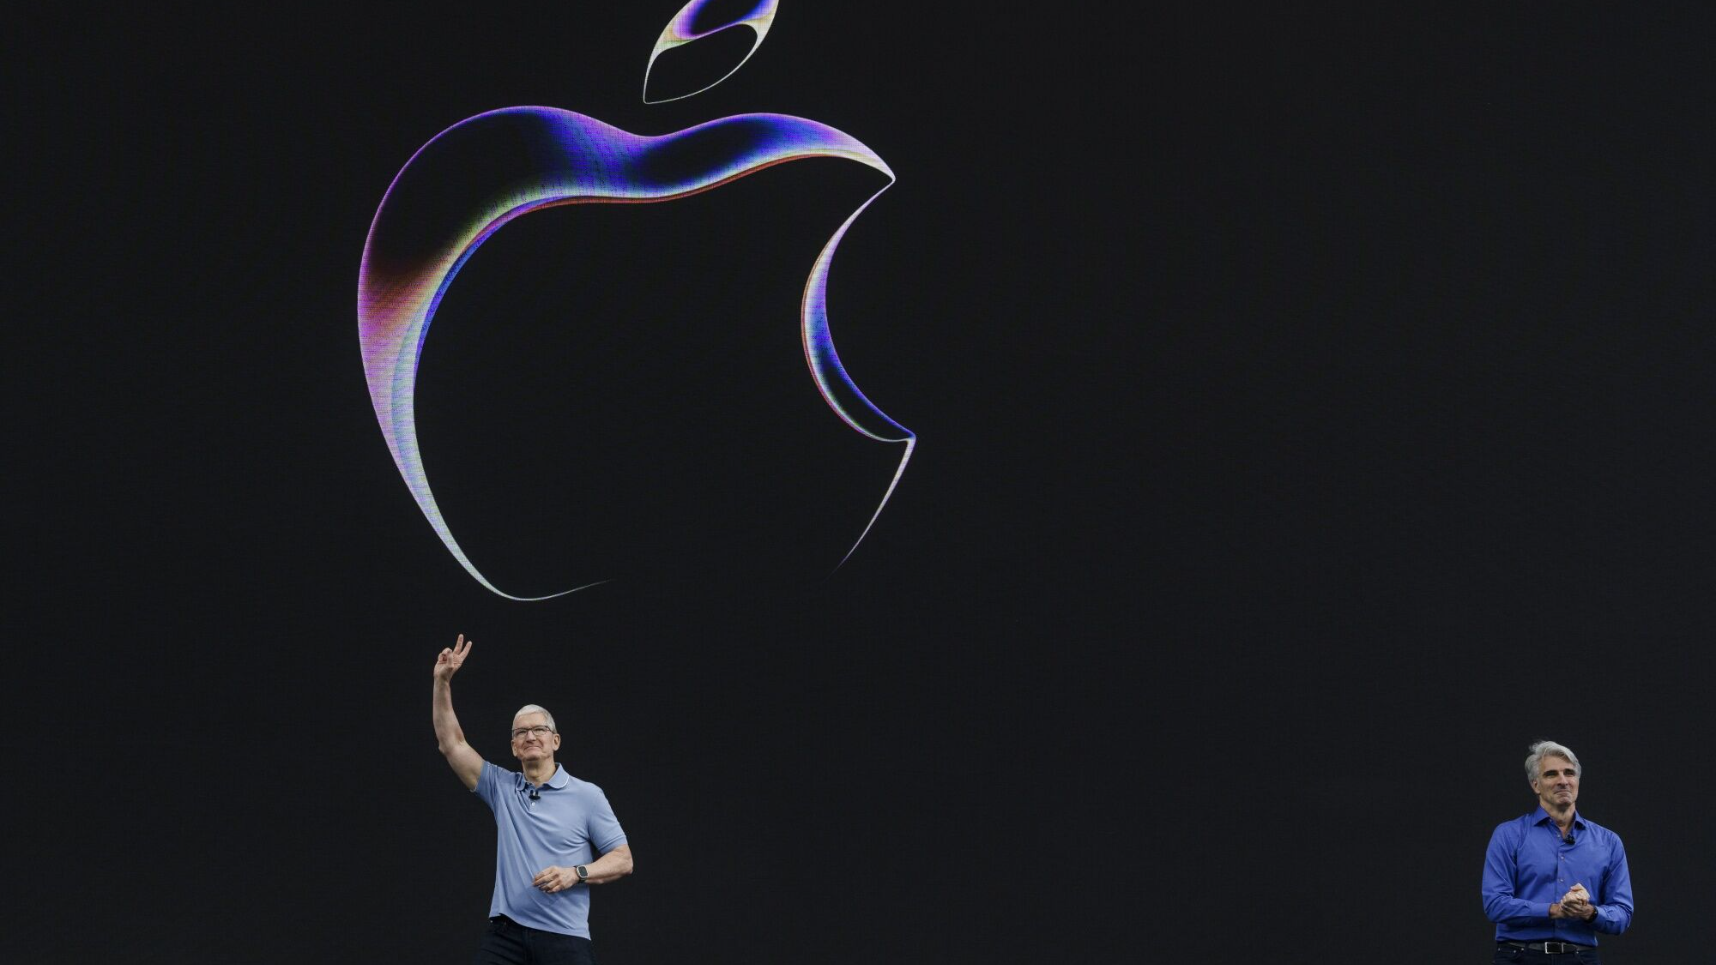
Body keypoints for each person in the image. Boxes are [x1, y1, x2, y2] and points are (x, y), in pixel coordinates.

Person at [433, 634, 634, 964]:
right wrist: (442, 682)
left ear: (555, 740)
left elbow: (623, 860)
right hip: (505, 935)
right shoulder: (501, 787)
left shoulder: (587, 795)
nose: (530, 737)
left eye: (538, 730)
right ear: (514, 747)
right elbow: (451, 744)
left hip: (564, 937)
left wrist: (576, 873)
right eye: (520, 732)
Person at [1482, 740, 1632, 963]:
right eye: (1551, 774)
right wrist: (1553, 910)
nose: (1563, 781)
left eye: (1569, 773)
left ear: (1578, 781)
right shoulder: (1509, 835)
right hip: (1519, 956)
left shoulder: (1608, 842)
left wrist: (1589, 913)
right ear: (1536, 785)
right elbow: (1495, 905)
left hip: (1580, 957)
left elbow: (1622, 914)